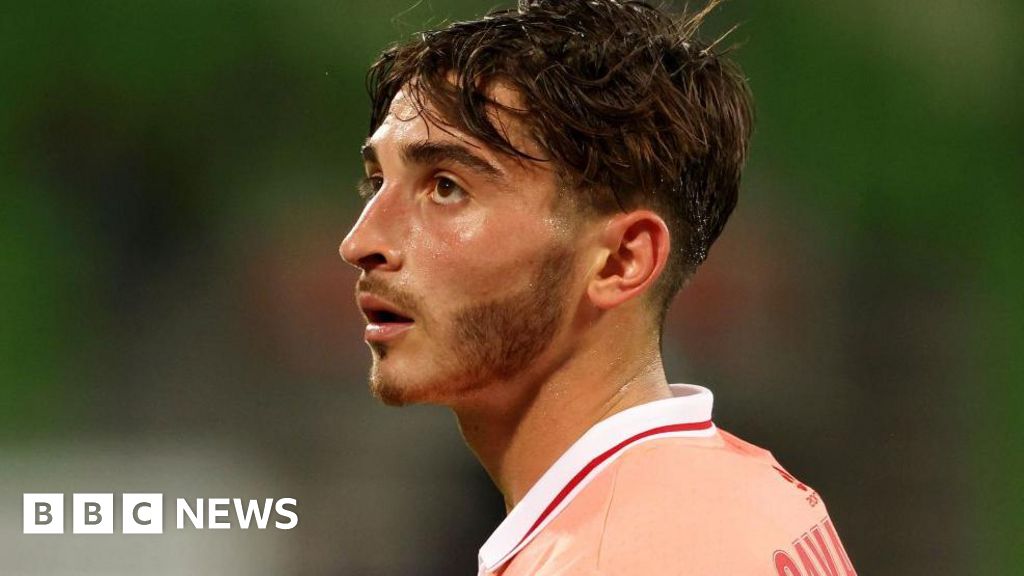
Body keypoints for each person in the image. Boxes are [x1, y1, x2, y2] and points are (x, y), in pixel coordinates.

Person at [339, 0, 856, 574]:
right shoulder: (752, 491)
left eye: (446, 187)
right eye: (376, 182)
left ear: (622, 260)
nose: (359, 242)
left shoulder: (616, 556)